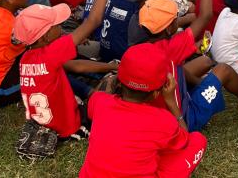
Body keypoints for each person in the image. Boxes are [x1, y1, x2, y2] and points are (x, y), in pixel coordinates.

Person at [135, 0, 238, 131]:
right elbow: (204, 15)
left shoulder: (141, 48)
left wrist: (198, 82)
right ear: (170, 27)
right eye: (176, 17)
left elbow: (176, 66)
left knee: (205, 62)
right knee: (223, 69)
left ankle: (197, 86)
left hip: (160, 103)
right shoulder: (172, 47)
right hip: (183, 117)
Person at [14, 0, 119, 140]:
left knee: (97, 74)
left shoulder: (27, 57)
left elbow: (76, 66)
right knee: (113, 83)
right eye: (55, 24)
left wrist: (109, 66)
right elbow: (92, 22)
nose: (60, 24)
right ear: (44, 37)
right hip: (71, 125)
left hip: (47, 121)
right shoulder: (52, 52)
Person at [79, 43, 206, 178]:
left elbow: (94, 107)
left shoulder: (99, 101)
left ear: (119, 80)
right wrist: (171, 102)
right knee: (198, 140)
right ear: (157, 93)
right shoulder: (163, 120)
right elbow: (184, 140)